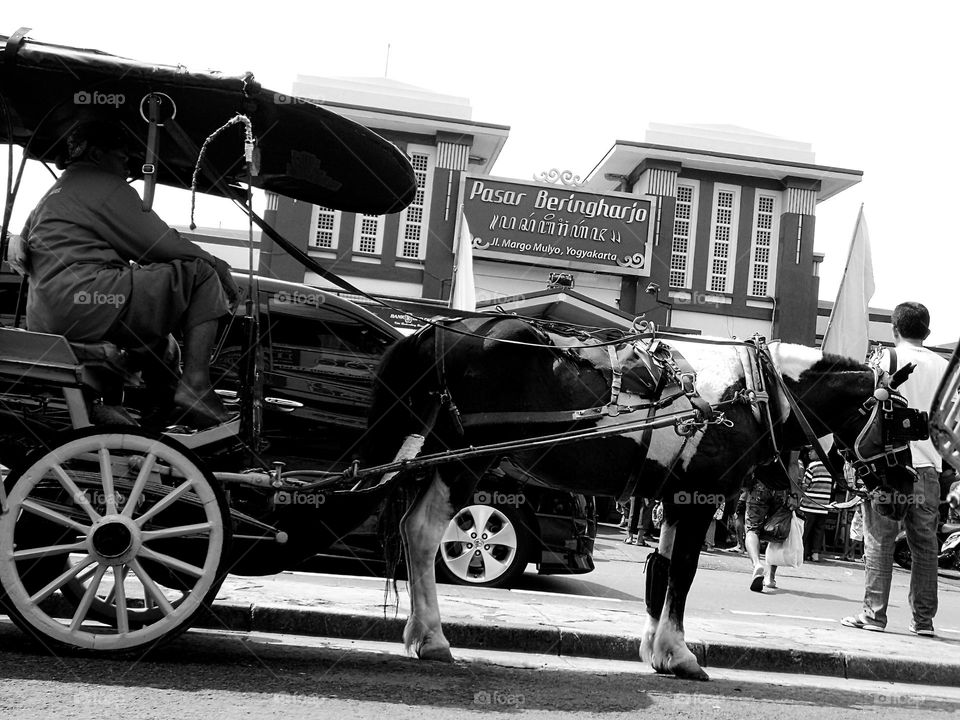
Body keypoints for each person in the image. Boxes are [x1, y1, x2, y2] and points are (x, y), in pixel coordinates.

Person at [13, 118, 240, 427]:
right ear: (96, 155)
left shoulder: (55, 193)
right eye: (122, 155)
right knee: (200, 273)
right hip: (87, 302)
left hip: (51, 313)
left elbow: (24, 250)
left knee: (162, 344)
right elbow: (162, 244)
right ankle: (196, 386)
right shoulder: (102, 185)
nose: (128, 165)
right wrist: (217, 264)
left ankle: (158, 411)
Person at [842, 302, 948, 636]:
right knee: (925, 545)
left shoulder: (885, 360)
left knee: (879, 540)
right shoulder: (946, 368)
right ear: (927, 332)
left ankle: (874, 615)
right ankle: (924, 621)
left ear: (894, 329)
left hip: (888, 468)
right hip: (929, 469)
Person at [744, 455, 800, 592]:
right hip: (782, 490)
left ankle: (757, 564)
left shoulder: (766, 432)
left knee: (752, 529)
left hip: (759, 486)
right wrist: (794, 494)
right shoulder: (794, 434)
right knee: (776, 531)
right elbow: (793, 464)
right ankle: (770, 577)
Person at [799, 445, 833, 562]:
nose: (809, 453)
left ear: (818, 453)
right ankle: (815, 554)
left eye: (811, 451)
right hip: (823, 506)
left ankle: (801, 554)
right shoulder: (829, 467)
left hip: (809, 505)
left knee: (805, 531)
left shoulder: (812, 466)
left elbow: (805, 485)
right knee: (818, 531)